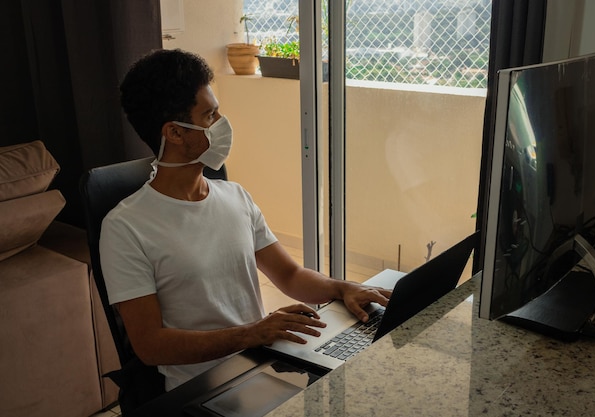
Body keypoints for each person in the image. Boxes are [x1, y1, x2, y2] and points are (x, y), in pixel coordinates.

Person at [100, 48, 392, 391]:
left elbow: (289, 275)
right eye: (210, 116)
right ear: (175, 133)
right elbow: (150, 346)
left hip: (261, 365)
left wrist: (343, 288)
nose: (222, 124)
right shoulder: (125, 228)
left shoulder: (234, 196)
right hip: (202, 386)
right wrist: (251, 334)